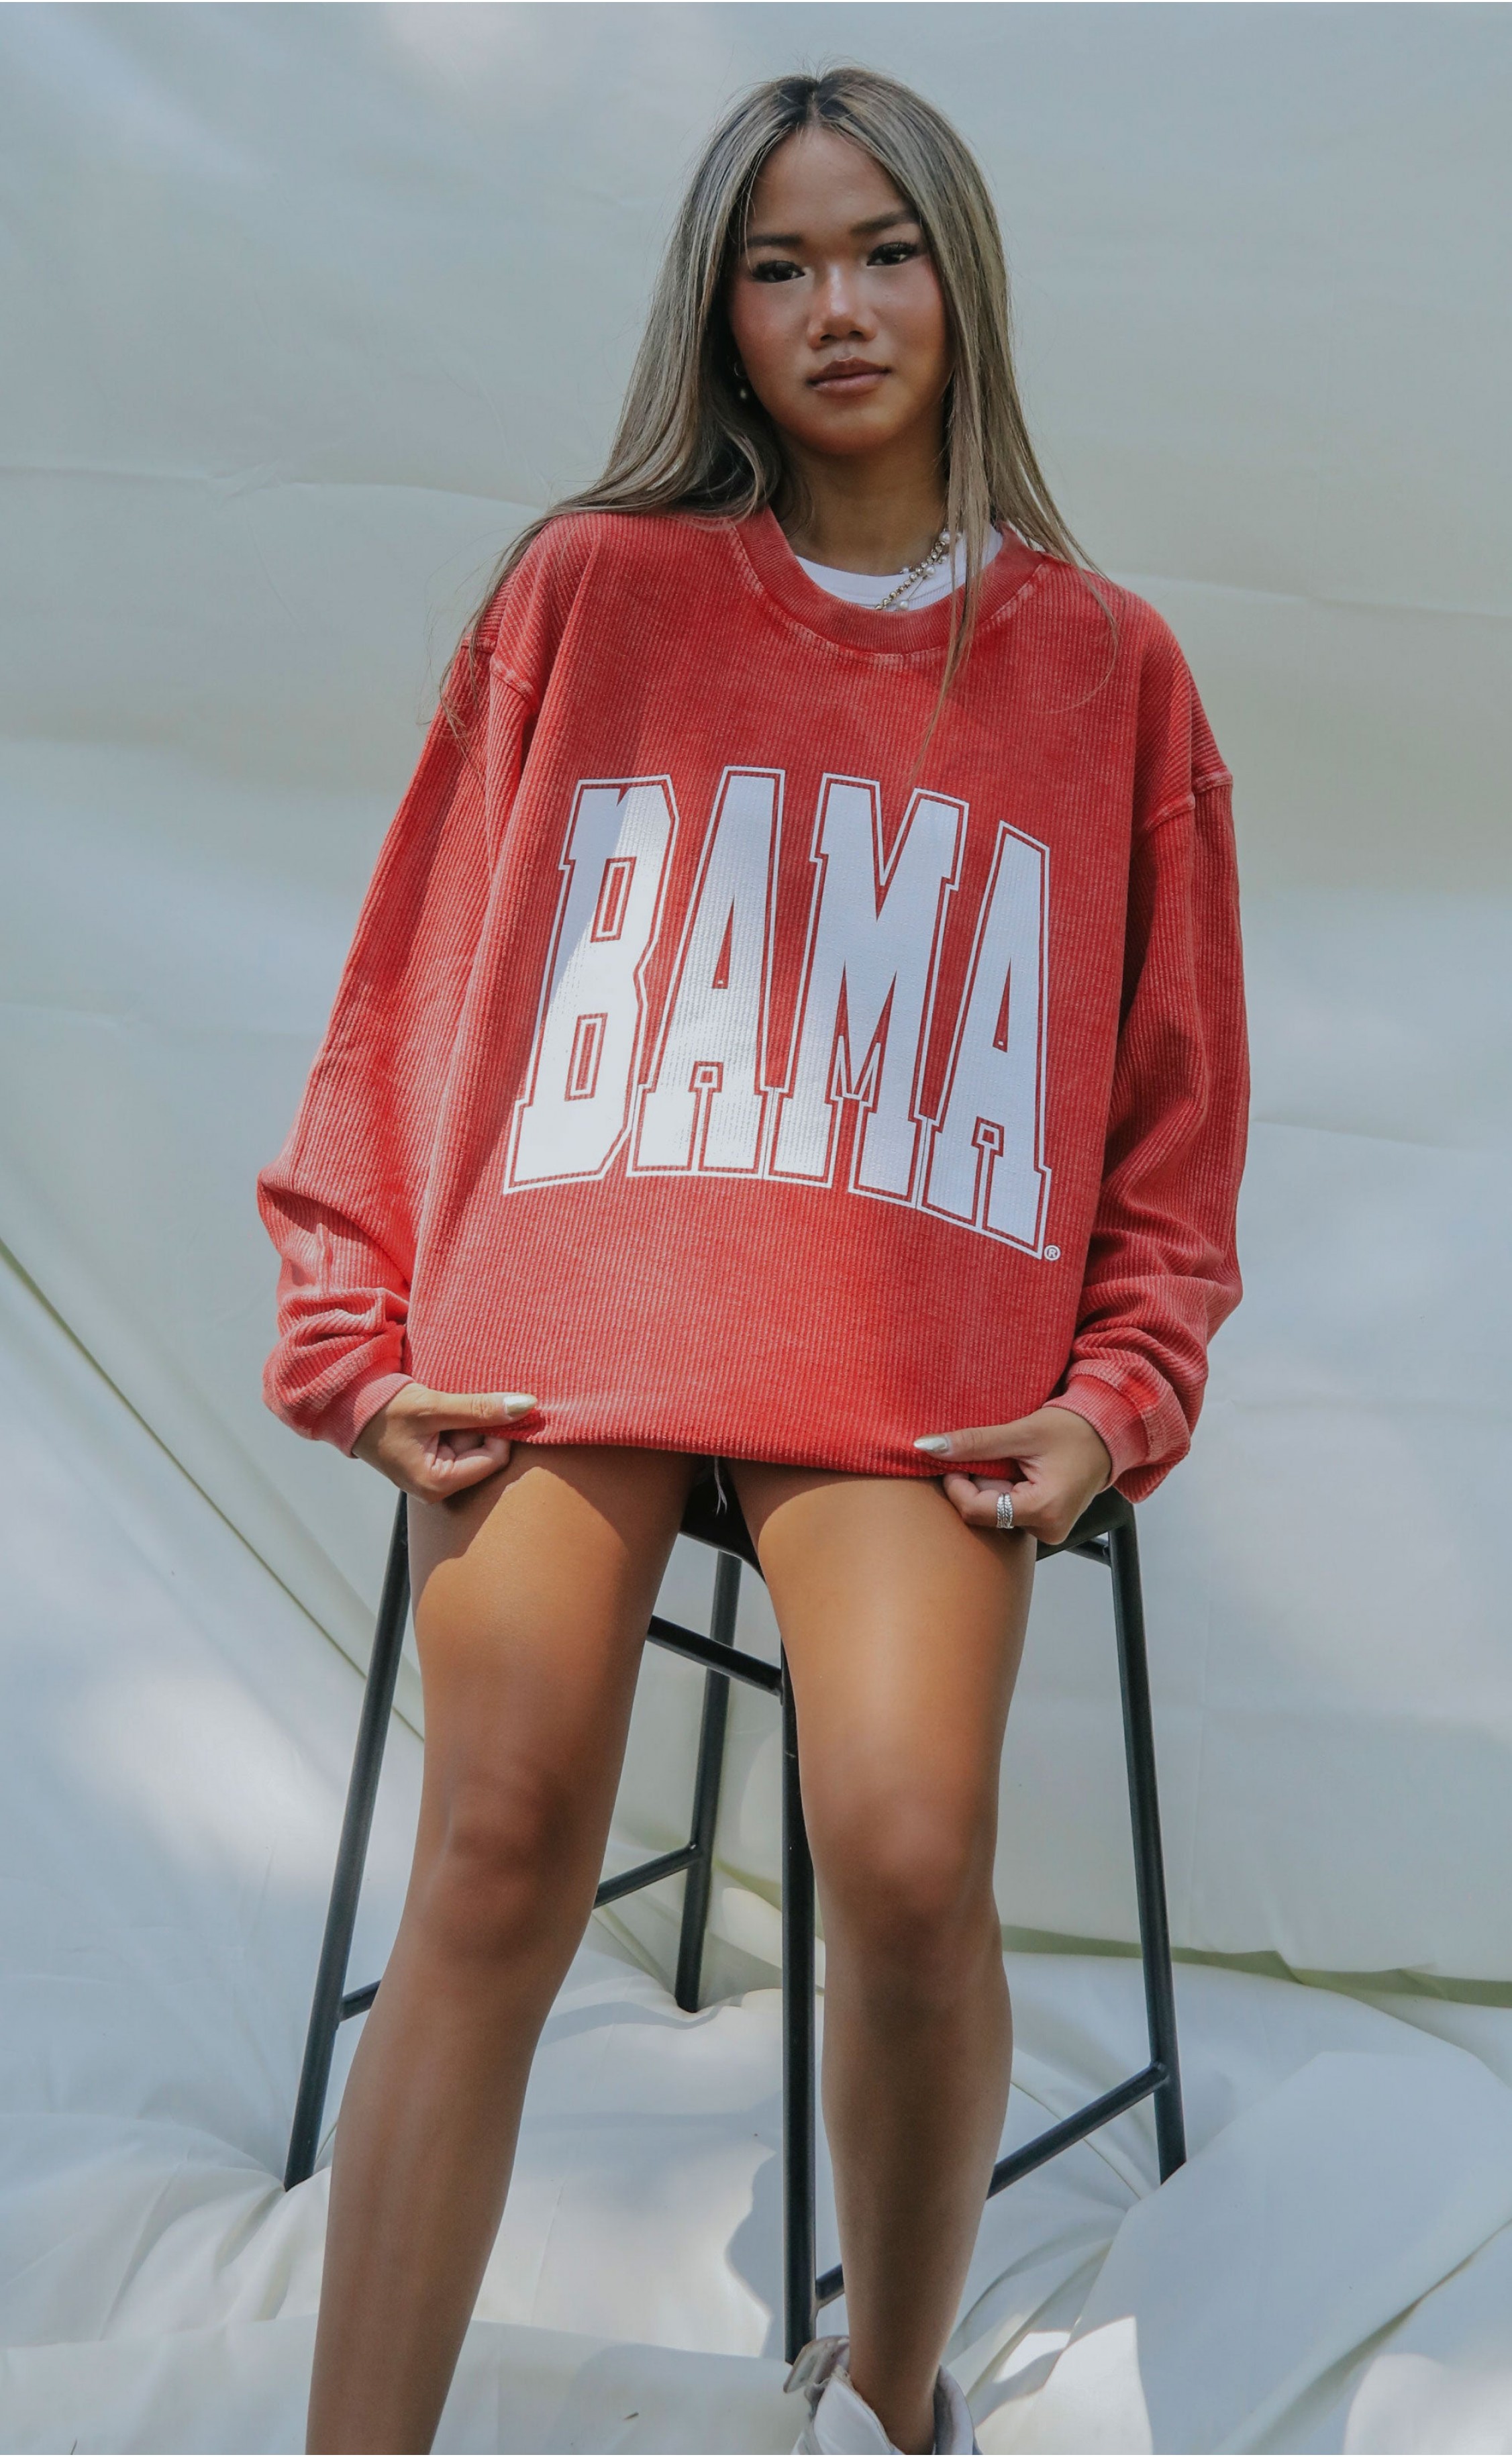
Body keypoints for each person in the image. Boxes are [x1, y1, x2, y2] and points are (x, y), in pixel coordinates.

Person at [258, 63, 1248, 2457]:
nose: (839, 308)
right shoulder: (592, 591)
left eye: (885, 251)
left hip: (907, 1366)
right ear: (719, 316)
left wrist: (1119, 1391)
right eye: (781, 265)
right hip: (572, 1314)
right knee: (505, 1834)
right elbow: (415, 980)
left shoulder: (1105, 666)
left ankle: (880, 2397)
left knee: (902, 1859)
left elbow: (1175, 1105)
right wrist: (350, 1336)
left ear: (962, 281)